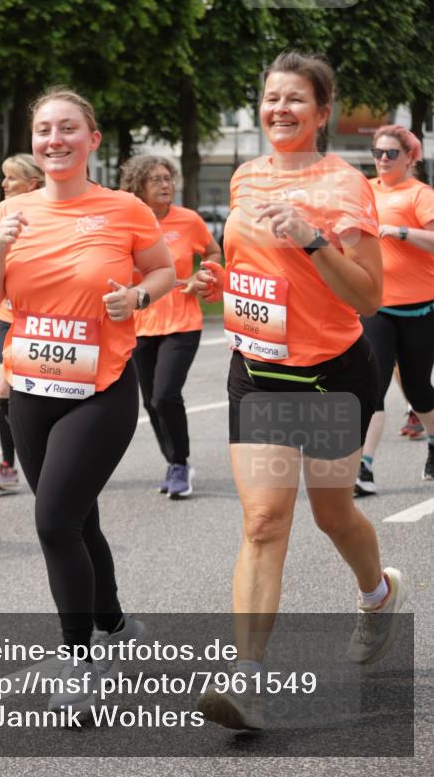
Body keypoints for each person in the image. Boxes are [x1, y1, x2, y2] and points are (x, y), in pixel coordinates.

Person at [193, 51, 406, 731]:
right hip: (256, 373)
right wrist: (219, 287)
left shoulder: (345, 186)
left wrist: (314, 240)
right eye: (270, 97)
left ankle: (376, 595)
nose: (278, 108)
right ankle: (246, 680)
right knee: (261, 523)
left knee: (332, 514)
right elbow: (257, 278)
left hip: (330, 377)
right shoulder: (244, 177)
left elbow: (368, 295)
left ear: (321, 112)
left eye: (295, 100)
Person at [0, 88, 174, 714]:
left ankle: (79, 660)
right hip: (30, 391)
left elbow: (163, 272)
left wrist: (138, 298)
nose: (53, 140)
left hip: (101, 389)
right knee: (80, 520)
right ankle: (118, 626)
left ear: (93, 140)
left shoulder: (125, 210)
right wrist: (2, 244)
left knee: (54, 520)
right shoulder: (11, 214)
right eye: (43, 130)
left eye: (67, 129)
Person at [119, 154, 221, 498]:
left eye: (168, 178)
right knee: (149, 402)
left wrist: (201, 275)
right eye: (156, 180)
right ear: (139, 187)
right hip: (139, 323)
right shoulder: (127, 222)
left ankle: (179, 464)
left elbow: (214, 252)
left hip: (182, 320)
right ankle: (174, 461)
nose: (166, 185)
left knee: (165, 395)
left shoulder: (189, 220)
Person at [355, 125, 434, 495]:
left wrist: (399, 232)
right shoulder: (364, 191)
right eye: (377, 152)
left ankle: (433, 443)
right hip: (377, 306)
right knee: (374, 385)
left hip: (421, 309)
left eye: (391, 154)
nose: (382, 160)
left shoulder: (420, 194)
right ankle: (363, 468)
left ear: (409, 158)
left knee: (419, 390)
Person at [0, 154, 44, 492]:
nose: (3, 184)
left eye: (11, 178)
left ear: (32, 184)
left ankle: (48, 459)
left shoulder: (47, 220)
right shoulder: (1, 217)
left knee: (38, 392)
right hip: (8, 318)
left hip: (40, 322)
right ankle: (8, 465)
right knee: (4, 387)